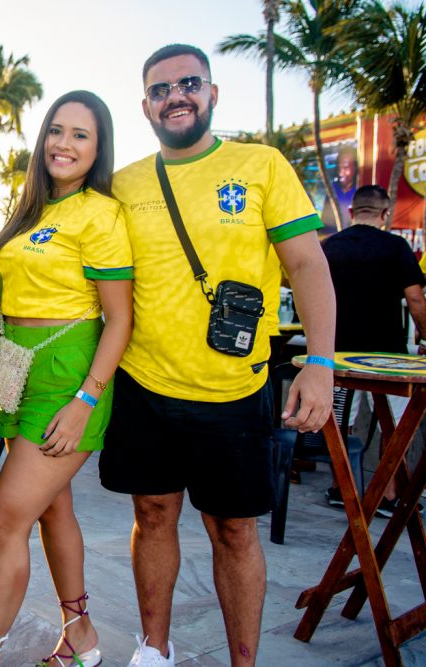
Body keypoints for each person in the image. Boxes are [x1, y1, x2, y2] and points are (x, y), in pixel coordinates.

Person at [98, 44, 336, 667]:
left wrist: (320, 363)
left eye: (188, 83)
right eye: (160, 89)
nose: (175, 96)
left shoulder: (261, 165)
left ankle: (243, 661)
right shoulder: (124, 183)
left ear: (212, 93)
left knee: (234, 530)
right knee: (152, 514)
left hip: (235, 387)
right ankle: (154, 650)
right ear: (144, 104)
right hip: (143, 384)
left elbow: (306, 262)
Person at [0, 91, 133, 667]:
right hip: (14, 366)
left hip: (66, 373)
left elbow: (120, 318)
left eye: (80, 134)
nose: (64, 143)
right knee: (53, 507)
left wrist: (87, 398)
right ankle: (81, 635)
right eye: (56, 131)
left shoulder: (101, 213)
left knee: (6, 516)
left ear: (99, 146)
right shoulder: (31, 209)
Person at [322, 184, 426, 516]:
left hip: (338, 353)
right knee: (392, 426)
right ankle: (388, 494)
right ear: (385, 214)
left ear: (352, 213)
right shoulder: (396, 246)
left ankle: (343, 490)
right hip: (388, 354)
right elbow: (415, 300)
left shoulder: (330, 247)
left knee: (341, 423)